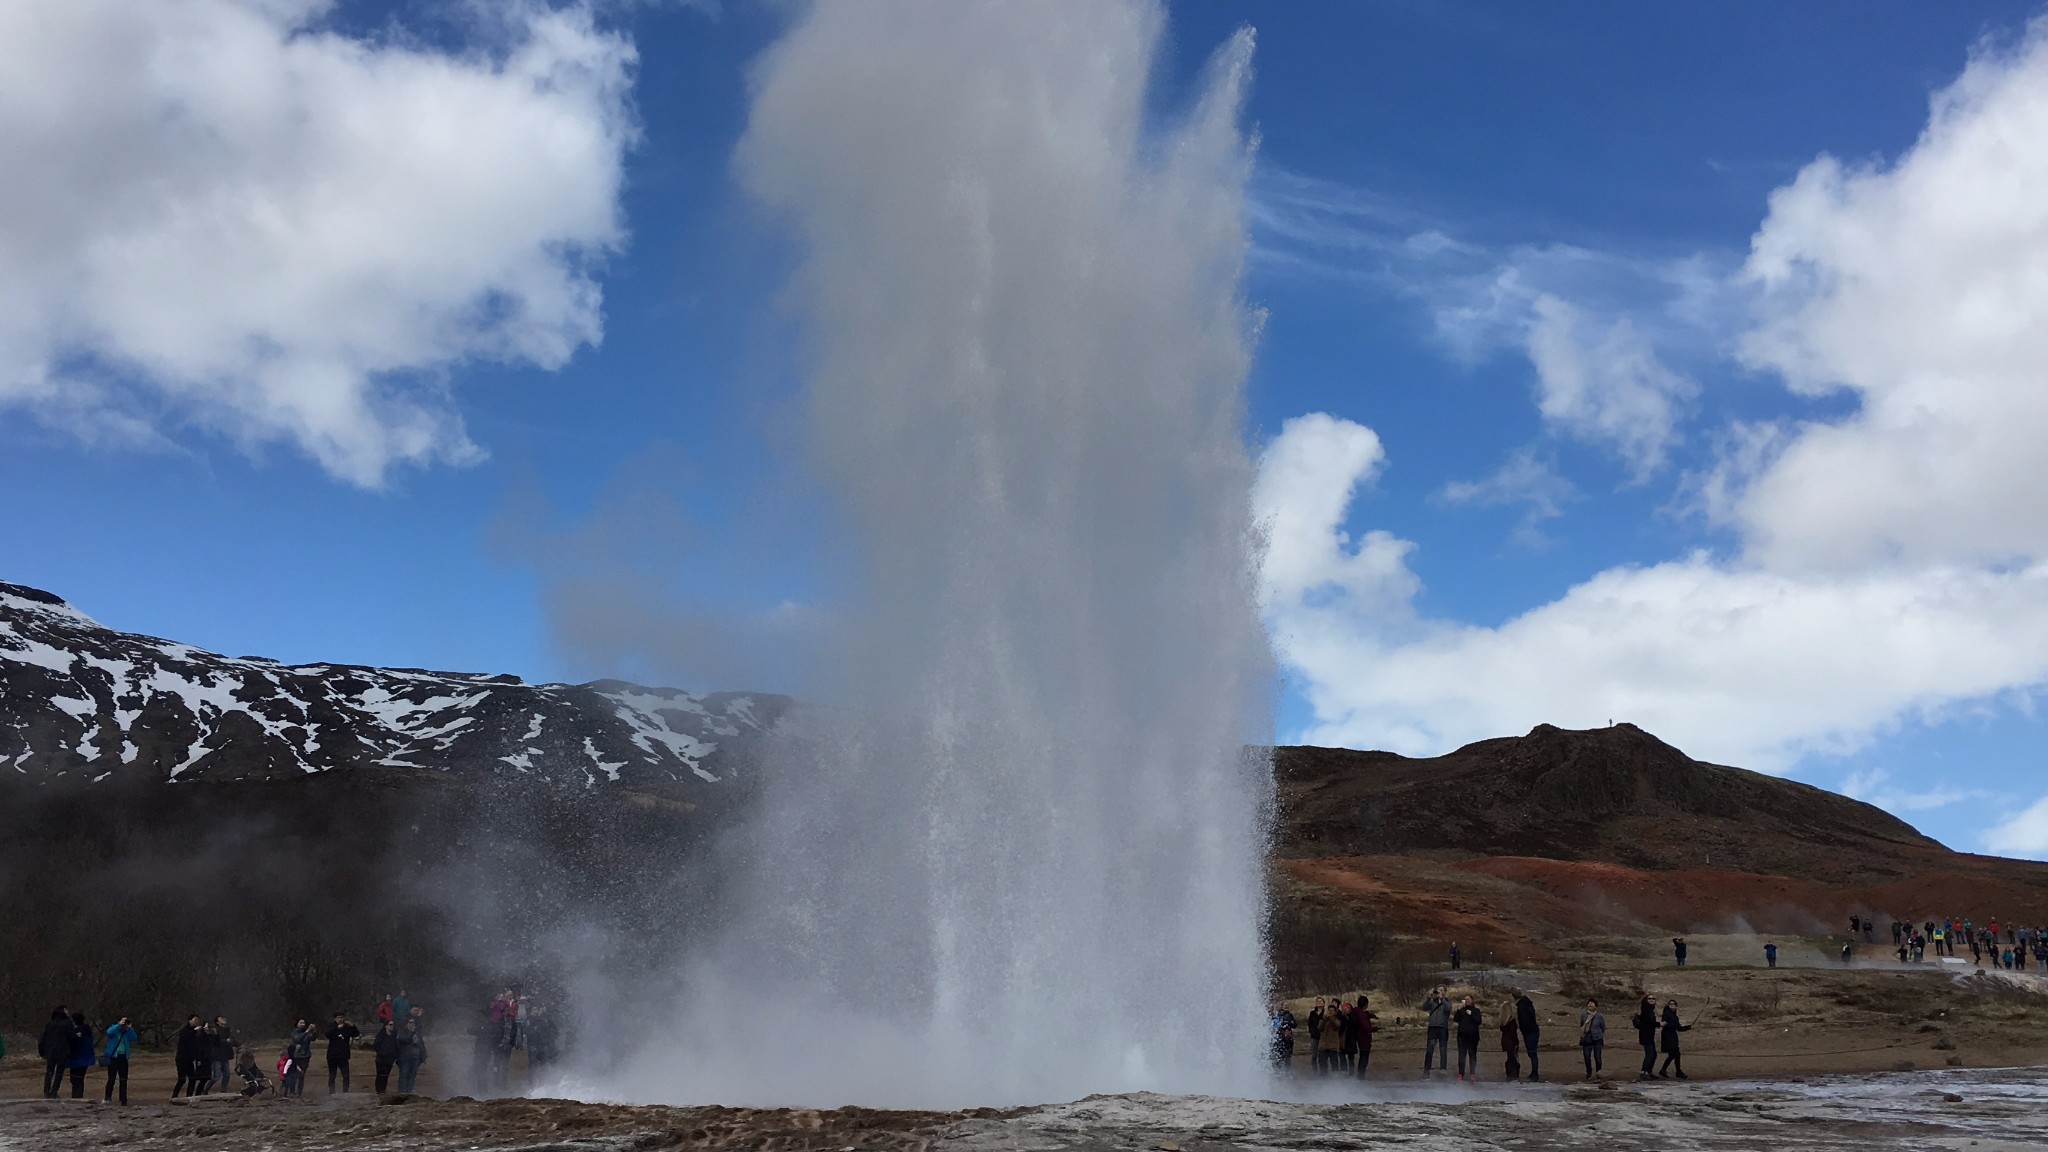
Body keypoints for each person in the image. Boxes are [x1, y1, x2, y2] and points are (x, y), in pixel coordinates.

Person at [102, 1016, 138, 1105]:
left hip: (123, 1057)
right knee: (111, 1078)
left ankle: (123, 1099)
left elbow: (134, 1038)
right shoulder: (114, 1029)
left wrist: (130, 1028)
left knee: (123, 1079)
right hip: (113, 1057)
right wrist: (118, 1025)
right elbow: (109, 1032)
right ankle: (107, 1097)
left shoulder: (127, 1031)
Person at [172, 1014, 209, 1098]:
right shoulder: (184, 1030)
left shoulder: (196, 1032)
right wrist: (194, 1030)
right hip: (181, 1059)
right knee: (182, 1079)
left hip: (190, 1060)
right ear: (189, 1020)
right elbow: (185, 1038)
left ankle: (189, 1096)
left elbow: (197, 1046)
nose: (196, 1022)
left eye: (197, 1020)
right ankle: (174, 1096)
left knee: (193, 1079)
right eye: (194, 1020)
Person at [39, 1007, 71, 1098]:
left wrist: (42, 1051)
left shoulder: (49, 1024)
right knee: (59, 1073)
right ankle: (54, 1091)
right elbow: (71, 1037)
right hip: (62, 1052)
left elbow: (43, 1038)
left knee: (49, 1071)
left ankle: (46, 1090)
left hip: (50, 1052)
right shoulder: (67, 1024)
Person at [326, 1012, 361, 1093]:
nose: (340, 1019)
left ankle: (345, 1091)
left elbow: (356, 1034)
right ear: (335, 1019)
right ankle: (331, 1091)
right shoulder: (331, 1026)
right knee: (332, 1075)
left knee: (345, 1075)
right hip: (332, 1055)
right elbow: (327, 1034)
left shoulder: (347, 1027)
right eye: (338, 1017)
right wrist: (337, 1028)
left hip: (343, 1055)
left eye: (342, 1017)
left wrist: (353, 1026)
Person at [1657, 1000, 1692, 1079]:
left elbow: (1679, 1028)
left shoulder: (1675, 1016)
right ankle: (1675, 1071)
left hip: (1673, 1036)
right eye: (1671, 1004)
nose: (1672, 1005)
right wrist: (1675, 1026)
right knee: (1674, 1054)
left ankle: (1668, 1070)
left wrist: (1688, 1027)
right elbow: (1666, 1024)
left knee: (1675, 1054)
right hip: (1667, 1037)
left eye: (1674, 1004)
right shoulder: (1666, 1013)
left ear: (1676, 1006)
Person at [1420, 986, 1451, 1076]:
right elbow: (1424, 1007)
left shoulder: (1447, 1002)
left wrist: (1442, 999)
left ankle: (1443, 1069)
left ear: (1445, 992)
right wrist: (1429, 997)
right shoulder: (1432, 1002)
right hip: (1433, 1028)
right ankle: (1426, 1071)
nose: (1439, 992)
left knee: (1443, 1049)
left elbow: (1448, 1009)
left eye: (1441, 990)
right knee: (1430, 1050)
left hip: (1443, 1029)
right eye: (1438, 990)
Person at [65, 1011, 95, 1099]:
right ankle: (78, 1096)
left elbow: (75, 1044)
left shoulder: (78, 1032)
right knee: (79, 1079)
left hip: (78, 1058)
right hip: (86, 1058)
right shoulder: (87, 1030)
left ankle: (76, 1097)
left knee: (75, 1079)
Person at [1451, 995, 1482, 1081]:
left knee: (1472, 1055)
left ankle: (1472, 1074)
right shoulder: (1461, 1011)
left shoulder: (1476, 1010)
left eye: (1468, 999)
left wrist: (1471, 1014)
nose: (1467, 1001)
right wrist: (1459, 1009)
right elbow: (1455, 1019)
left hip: (1473, 1036)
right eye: (1465, 999)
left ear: (1472, 1000)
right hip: (1462, 1036)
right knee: (1461, 1055)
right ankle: (1461, 1074)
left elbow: (1478, 1021)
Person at [1514, 989, 1542, 1081]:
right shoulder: (1527, 1003)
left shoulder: (1521, 1007)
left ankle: (1535, 1074)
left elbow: (1525, 1021)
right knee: (1533, 1053)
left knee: (1532, 1053)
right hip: (1533, 1030)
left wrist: (1524, 1031)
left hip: (1529, 1032)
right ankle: (1534, 1072)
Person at [396, 1020, 428, 1094]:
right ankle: (402, 1091)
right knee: (404, 1074)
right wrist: (412, 1033)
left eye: (413, 1023)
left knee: (412, 1075)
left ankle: (409, 1091)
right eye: (410, 1023)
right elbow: (404, 1040)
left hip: (416, 1058)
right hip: (405, 1057)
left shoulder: (418, 1034)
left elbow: (421, 1045)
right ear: (406, 1024)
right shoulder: (402, 1032)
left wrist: (424, 1055)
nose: (412, 1025)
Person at [287, 1019, 316, 1096]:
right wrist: (307, 1032)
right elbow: (298, 1039)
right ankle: (292, 1091)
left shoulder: (307, 1032)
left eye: (303, 1023)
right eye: (301, 1023)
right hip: (296, 1055)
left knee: (302, 1074)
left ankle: (299, 1092)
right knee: (293, 1074)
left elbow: (313, 1038)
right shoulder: (294, 1032)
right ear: (297, 1024)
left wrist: (313, 1031)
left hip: (305, 1056)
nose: (302, 1024)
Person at [210, 1016, 239, 1094]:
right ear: (217, 1022)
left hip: (225, 1056)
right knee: (216, 1077)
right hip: (217, 1056)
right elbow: (215, 1042)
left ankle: (223, 1091)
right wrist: (226, 1041)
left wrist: (237, 1044)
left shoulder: (227, 1030)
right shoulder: (214, 1030)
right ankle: (205, 1089)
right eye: (221, 1019)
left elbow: (232, 1040)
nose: (224, 1019)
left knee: (227, 1075)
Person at [1633, 996, 1659, 1081]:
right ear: (1646, 1000)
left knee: (1653, 1054)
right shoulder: (1647, 1010)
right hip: (1646, 1035)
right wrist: (1659, 1024)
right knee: (1650, 1054)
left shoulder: (1648, 1009)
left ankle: (1648, 1071)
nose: (1652, 1000)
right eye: (1650, 999)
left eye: (1653, 998)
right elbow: (1650, 1022)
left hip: (1649, 1035)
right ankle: (1644, 1072)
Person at [1579, 999, 1606, 1079]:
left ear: (1596, 1006)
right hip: (1587, 1039)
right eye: (1589, 1003)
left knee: (1598, 1057)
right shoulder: (1584, 1015)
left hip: (1597, 1039)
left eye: (1592, 1003)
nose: (1590, 1005)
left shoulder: (1599, 1016)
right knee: (1587, 1056)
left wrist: (1598, 1033)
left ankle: (1599, 1072)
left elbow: (1603, 1027)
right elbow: (1582, 1025)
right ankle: (1589, 1073)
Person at [1352, 995, 1377, 1078]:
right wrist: (1374, 1029)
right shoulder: (1361, 1014)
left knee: (1363, 1056)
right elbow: (1366, 1027)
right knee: (1364, 1057)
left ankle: (1360, 1074)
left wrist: (1371, 1016)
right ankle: (1361, 1075)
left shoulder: (1358, 1012)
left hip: (1360, 1038)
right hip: (1363, 1038)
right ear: (1366, 1004)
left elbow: (1366, 1015)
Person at [1316, 998, 1343, 1074]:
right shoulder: (1323, 1020)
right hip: (1323, 1046)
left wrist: (1331, 1019)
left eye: (1332, 1011)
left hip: (1333, 1046)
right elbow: (1319, 1028)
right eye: (1329, 1010)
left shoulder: (1337, 1020)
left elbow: (1337, 1026)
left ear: (1335, 1012)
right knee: (1322, 1066)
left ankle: (1335, 1081)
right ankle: (1323, 1080)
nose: (1330, 1012)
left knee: (1335, 1066)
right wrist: (1324, 1020)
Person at [372, 1021, 401, 1093]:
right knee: (380, 1075)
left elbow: (397, 1047)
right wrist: (382, 1052)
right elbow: (375, 1045)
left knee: (386, 1076)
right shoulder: (381, 1035)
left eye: (393, 1025)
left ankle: (383, 1090)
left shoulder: (394, 1035)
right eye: (390, 1025)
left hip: (390, 1059)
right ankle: (378, 1090)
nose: (392, 1026)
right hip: (381, 1059)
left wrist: (395, 1056)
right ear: (386, 1026)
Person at [1499, 1006, 1521, 1080]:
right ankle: (1513, 1075)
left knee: (1509, 1058)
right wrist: (1516, 1043)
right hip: (1511, 1042)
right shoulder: (1511, 1021)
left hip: (1505, 1041)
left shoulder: (1503, 1022)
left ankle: (1509, 1074)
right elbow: (1513, 1034)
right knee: (1513, 1058)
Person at [1305, 997, 1326, 1070]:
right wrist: (1311, 1031)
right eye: (1318, 1001)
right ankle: (1314, 1070)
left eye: (1321, 1001)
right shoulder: (1312, 1013)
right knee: (1314, 1055)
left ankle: (1322, 1071)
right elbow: (1309, 1023)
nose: (1319, 1003)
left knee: (1322, 1055)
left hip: (1322, 1036)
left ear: (1324, 1003)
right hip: (1314, 1036)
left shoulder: (1325, 1013)